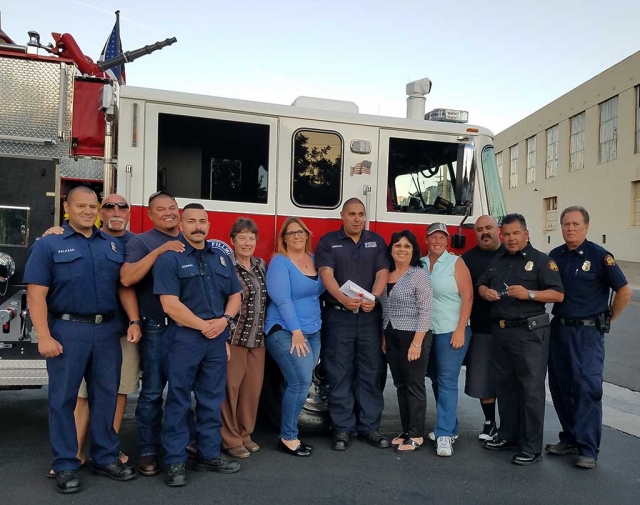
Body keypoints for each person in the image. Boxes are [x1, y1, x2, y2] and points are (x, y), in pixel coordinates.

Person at [25, 186, 139, 493]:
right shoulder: (49, 244)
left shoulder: (112, 246)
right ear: (67, 206)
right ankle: (65, 464)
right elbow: (36, 295)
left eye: (93, 206)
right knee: (63, 400)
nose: (88, 211)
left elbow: (123, 287)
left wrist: (133, 320)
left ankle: (105, 457)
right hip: (67, 332)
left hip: (106, 332)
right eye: (81, 206)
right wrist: (44, 336)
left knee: (105, 396)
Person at [153, 203, 242, 487]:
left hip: (215, 339)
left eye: (202, 221)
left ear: (209, 225)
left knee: (211, 399)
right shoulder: (170, 258)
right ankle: (176, 460)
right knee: (178, 400)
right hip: (184, 338)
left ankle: (208, 453)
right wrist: (206, 325)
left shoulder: (221, 258)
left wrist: (225, 321)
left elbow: (236, 295)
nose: (198, 226)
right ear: (181, 224)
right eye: (191, 221)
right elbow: (169, 305)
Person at [546, 206, 632, 469]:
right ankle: (570, 437)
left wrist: (608, 319)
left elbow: (624, 291)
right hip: (559, 328)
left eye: (575, 224)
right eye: (565, 224)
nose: (570, 229)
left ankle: (588, 448)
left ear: (586, 227)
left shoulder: (599, 256)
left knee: (587, 389)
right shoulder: (555, 256)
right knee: (560, 387)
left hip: (587, 333)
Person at [479, 213, 564, 466]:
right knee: (505, 387)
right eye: (507, 234)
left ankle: (531, 446)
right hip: (502, 332)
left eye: (517, 233)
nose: (512, 239)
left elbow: (558, 295)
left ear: (526, 234)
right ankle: (508, 436)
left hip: (530, 334)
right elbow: (481, 284)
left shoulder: (542, 261)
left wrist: (529, 293)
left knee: (531, 391)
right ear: (501, 236)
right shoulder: (497, 260)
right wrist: (486, 293)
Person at [120, 190, 194, 476]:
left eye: (173, 207)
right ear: (149, 215)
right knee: (151, 393)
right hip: (155, 327)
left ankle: (183, 446)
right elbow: (127, 278)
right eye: (160, 209)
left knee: (182, 391)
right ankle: (149, 452)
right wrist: (160, 251)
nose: (168, 212)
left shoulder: (191, 239)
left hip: (186, 328)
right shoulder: (141, 242)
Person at [315, 198, 390, 451]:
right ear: (342, 216)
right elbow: (326, 274)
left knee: (370, 373)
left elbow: (382, 273)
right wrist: (343, 299)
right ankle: (342, 429)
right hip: (339, 316)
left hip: (369, 317)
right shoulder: (328, 242)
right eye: (352, 214)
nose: (357, 218)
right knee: (339, 372)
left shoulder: (376, 241)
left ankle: (369, 427)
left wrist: (374, 297)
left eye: (361, 214)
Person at [265, 217, 325, 457]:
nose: (296, 236)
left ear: (307, 234)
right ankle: (288, 437)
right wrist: (297, 332)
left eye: (300, 232)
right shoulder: (280, 262)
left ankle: (288, 434)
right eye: (291, 234)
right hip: (285, 331)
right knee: (299, 383)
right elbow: (282, 299)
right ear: (284, 238)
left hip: (313, 332)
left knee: (301, 382)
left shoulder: (313, 260)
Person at [422, 222, 473, 457]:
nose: (438, 241)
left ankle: (443, 436)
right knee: (434, 378)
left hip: (451, 330)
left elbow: (468, 297)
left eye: (442, 237)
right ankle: (450, 427)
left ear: (447, 240)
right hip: (427, 332)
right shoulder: (420, 264)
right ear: (427, 240)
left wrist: (461, 329)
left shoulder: (456, 262)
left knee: (447, 381)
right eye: (434, 237)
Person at [381, 230, 433, 453]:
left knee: (414, 385)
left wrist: (417, 343)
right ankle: (406, 429)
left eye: (407, 246)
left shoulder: (418, 274)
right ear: (391, 249)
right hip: (392, 334)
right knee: (400, 385)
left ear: (413, 251)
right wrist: (384, 335)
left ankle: (417, 434)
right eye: (397, 245)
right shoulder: (387, 274)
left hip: (414, 335)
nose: (402, 249)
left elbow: (426, 310)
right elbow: (385, 309)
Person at [221, 218, 268, 459]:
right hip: (233, 338)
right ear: (232, 241)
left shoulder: (261, 264)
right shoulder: (225, 265)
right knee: (230, 389)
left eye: (251, 238)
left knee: (252, 391)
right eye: (242, 238)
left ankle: (245, 434)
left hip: (257, 340)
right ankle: (229, 438)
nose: (247, 242)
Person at [461, 215, 503, 441]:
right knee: (483, 379)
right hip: (481, 328)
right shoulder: (466, 260)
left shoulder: (513, 253)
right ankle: (489, 423)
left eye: (488, 228)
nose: (484, 232)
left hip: (512, 330)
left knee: (511, 379)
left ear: (498, 229)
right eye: (479, 230)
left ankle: (511, 425)